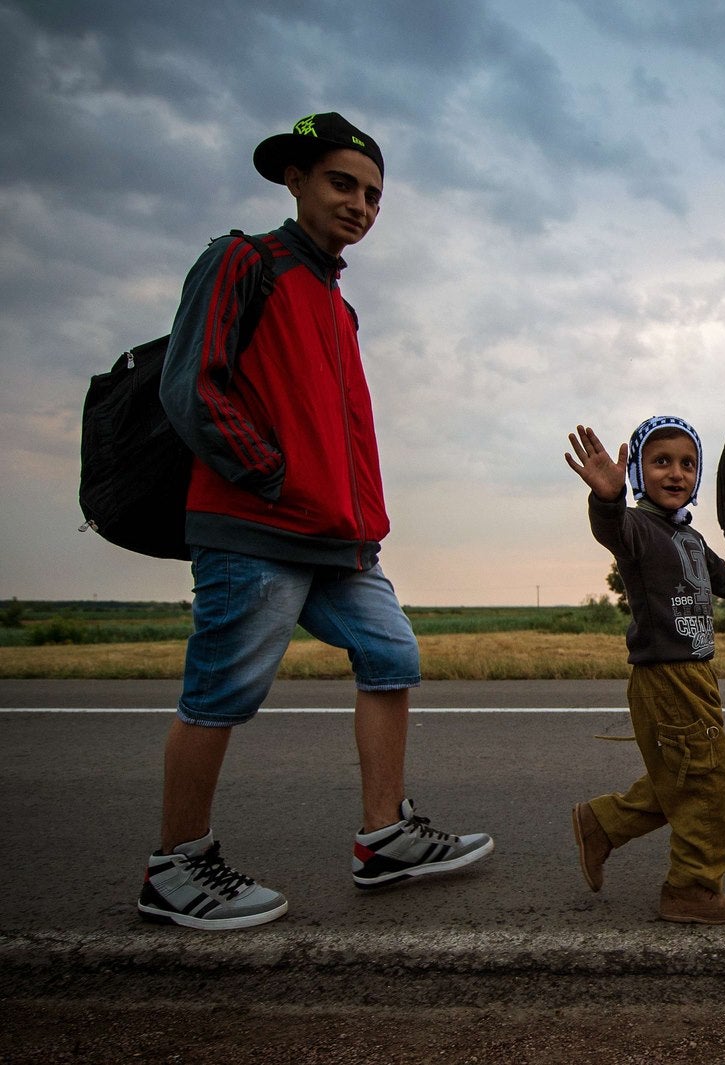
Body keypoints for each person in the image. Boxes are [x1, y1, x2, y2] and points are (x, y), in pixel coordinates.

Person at [141, 113, 493, 931]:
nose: (361, 204)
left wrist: (362, 522)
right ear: (294, 178)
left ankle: (385, 837)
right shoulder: (243, 261)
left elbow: (347, 432)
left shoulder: (340, 306)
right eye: (343, 183)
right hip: (254, 528)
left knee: (391, 652)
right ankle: (175, 866)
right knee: (221, 691)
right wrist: (270, 478)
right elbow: (192, 386)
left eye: (374, 194)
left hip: (341, 541)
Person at [565, 417, 725, 924]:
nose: (676, 473)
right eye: (660, 462)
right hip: (667, 677)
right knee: (712, 790)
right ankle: (691, 889)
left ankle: (602, 824)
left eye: (687, 463)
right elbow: (611, 526)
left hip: (695, 675)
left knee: (682, 776)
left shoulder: (689, 537)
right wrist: (607, 499)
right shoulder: (638, 529)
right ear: (638, 472)